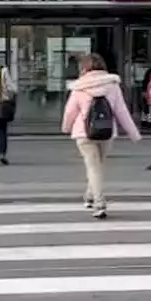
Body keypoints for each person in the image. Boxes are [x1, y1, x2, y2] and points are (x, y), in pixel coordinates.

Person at [61, 53, 142, 219]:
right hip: (106, 132)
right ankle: (90, 195)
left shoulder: (79, 87)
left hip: (83, 132)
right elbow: (121, 111)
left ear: (83, 68)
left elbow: (70, 112)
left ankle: (99, 202)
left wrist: (66, 128)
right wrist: (134, 134)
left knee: (92, 166)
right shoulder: (112, 85)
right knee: (98, 165)